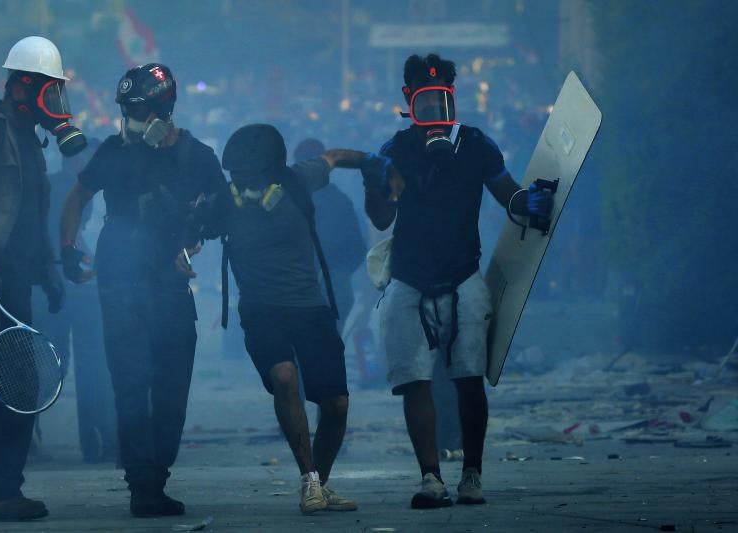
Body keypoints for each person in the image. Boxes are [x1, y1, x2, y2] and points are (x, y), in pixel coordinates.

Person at [362, 54, 553, 509]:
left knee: (469, 379)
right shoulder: (394, 151)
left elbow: (508, 195)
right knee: (415, 382)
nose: (434, 112)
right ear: (408, 101)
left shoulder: (477, 145)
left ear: (453, 99)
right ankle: (431, 478)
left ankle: (472, 474)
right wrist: (375, 184)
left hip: (464, 274)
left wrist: (533, 202)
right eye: (424, 102)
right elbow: (382, 217)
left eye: (441, 101)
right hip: (409, 278)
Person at [59, 63, 226, 517]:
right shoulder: (114, 152)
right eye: (128, 110)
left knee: (172, 387)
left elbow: (221, 210)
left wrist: (194, 234)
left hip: (170, 286)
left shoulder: (196, 156)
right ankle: (141, 485)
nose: (134, 119)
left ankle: (157, 475)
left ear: (165, 107)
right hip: (120, 281)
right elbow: (77, 198)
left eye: (141, 109)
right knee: (131, 384)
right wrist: (68, 247)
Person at [191, 124, 382, 514]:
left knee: (336, 404)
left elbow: (334, 156)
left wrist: (376, 163)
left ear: (272, 171)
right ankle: (309, 480)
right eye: (235, 176)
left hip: (309, 305)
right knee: (284, 375)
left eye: (247, 176)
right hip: (261, 309)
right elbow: (192, 230)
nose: (241, 184)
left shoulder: (297, 180)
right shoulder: (224, 203)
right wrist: (182, 248)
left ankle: (319, 483)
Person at [0, 35, 86, 521]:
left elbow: (32, 213)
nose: (55, 100)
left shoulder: (29, 140)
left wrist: (48, 271)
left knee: (16, 386)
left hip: (15, 282)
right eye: (48, 88)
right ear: (21, 86)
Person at [31, 138, 119, 464]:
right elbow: (54, 232)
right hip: (54, 286)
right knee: (50, 363)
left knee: (91, 366)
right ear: (73, 159)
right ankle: (27, 436)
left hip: (82, 289)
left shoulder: (93, 190)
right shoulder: (57, 188)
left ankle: (97, 441)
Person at [293, 138, 366, 332]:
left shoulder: (286, 199)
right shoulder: (341, 200)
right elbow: (358, 247)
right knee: (328, 342)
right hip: (336, 287)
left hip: (299, 288)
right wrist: (340, 271)